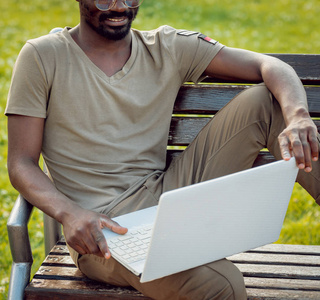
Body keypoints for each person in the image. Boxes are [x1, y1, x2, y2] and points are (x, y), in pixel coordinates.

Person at [6, 0, 320, 299]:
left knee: (265, 102)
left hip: (168, 199)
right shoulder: (42, 56)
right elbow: (21, 163)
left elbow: (270, 65)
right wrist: (70, 213)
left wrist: (298, 117)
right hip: (101, 232)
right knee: (220, 284)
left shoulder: (167, 47)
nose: (118, 7)